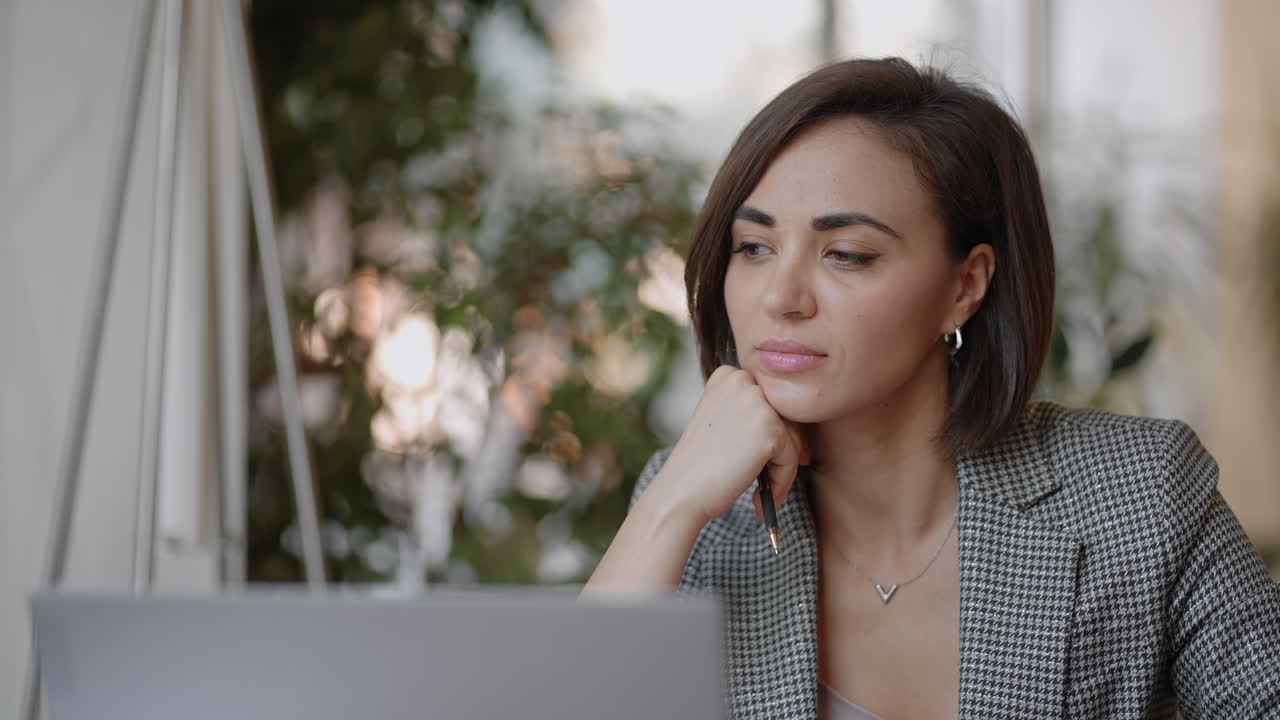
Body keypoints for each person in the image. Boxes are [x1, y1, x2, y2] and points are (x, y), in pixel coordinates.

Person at [582, 57, 1280, 719]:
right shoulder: (694, 517)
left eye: (847, 255)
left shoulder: (1139, 495)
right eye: (754, 247)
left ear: (964, 286)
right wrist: (670, 503)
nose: (780, 298)